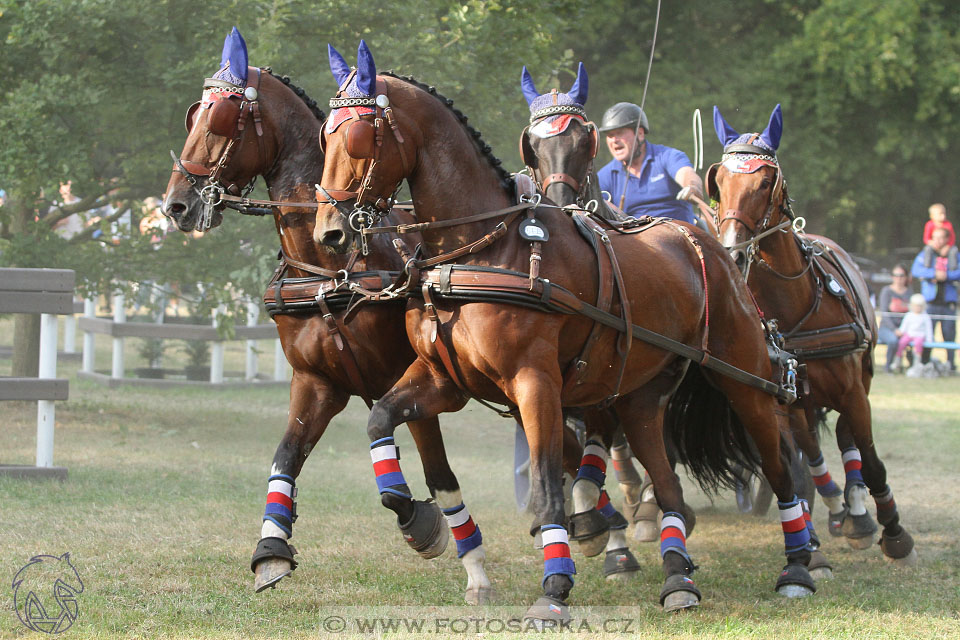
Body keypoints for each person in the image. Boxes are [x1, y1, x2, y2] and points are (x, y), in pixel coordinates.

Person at [596, 102, 704, 224]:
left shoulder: (667, 156)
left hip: (680, 235)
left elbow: (685, 173)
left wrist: (692, 186)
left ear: (640, 134)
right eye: (610, 135)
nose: (614, 140)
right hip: (634, 240)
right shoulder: (605, 176)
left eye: (620, 133)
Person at [911, 227, 960, 370]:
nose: (938, 241)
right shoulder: (927, 253)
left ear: (947, 239)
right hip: (930, 303)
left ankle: (951, 364)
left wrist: (946, 275)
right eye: (935, 237)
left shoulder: (954, 254)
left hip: (948, 303)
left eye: (941, 238)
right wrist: (934, 273)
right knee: (927, 334)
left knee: (949, 335)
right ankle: (925, 363)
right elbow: (916, 270)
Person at [877, 264, 913, 373]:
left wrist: (903, 329)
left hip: (904, 328)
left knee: (913, 339)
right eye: (895, 275)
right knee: (893, 340)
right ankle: (888, 367)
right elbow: (885, 313)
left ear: (906, 277)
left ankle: (911, 366)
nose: (898, 278)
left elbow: (912, 313)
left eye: (901, 275)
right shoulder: (886, 291)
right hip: (886, 328)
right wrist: (894, 329)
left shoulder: (909, 292)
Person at [893, 294, 933, 371]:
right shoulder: (909, 315)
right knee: (902, 342)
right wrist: (900, 331)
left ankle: (917, 362)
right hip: (909, 334)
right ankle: (897, 360)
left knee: (918, 344)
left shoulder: (925, 317)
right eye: (916, 306)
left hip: (919, 335)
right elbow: (904, 326)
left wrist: (929, 339)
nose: (918, 308)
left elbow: (928, 329)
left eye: (920, 306)